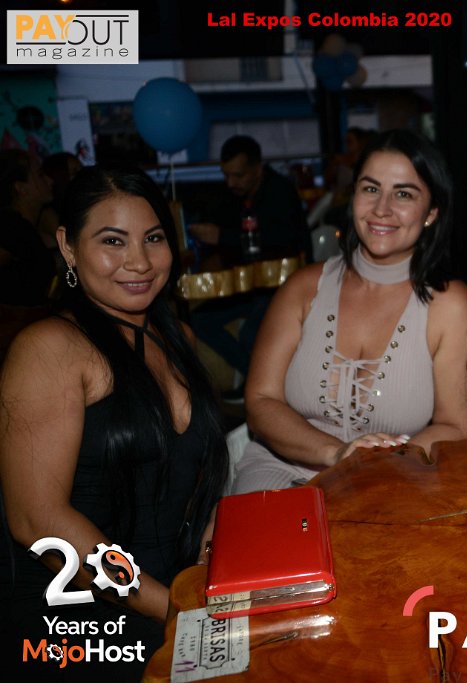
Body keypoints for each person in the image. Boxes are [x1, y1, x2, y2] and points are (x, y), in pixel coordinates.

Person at [0, 165, 227, 680]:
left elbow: (189, 474)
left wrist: (212, 538)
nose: (139, 261)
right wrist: (170, 606)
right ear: (68, 246)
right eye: (112, 241)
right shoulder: (51, 348)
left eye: (154, 238)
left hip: (169, 594)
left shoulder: (179, 340)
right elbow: (38, 522)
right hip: (75, 621)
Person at [232, 130, 467, 494]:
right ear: (354, 196)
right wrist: (338, 453)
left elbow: (456, 424)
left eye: (404, 194)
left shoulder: (451, 305)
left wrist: (386, 461)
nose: (382, 208)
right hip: (282, 470)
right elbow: (260, 401)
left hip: (394, 478)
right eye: (371, 188)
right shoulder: (303, 287)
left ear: (431, 213)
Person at [189, 135, 309, 396]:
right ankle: (259, 382)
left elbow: (284, 241)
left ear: (257, 168)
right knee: (199, 321)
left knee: (251, 334)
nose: (231, 182)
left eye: (238, 175)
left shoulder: (280, 192)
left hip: (284, 287)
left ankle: (261, 388)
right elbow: (225, 233)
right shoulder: (232, 196)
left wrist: (223, 237)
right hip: (249, 287)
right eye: (226, 175)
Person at [0, 149, 56, 308]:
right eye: (40, 175)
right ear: (20, 188)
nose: (50, 181)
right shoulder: (10, 226)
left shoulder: (32, 226)